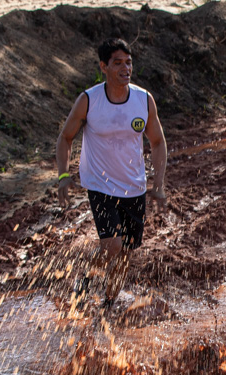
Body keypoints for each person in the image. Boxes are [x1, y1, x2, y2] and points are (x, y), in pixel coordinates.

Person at [55, 38, 167, 310]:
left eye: (128, 62)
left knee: (126, 251)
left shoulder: (143, 100)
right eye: (117, 63)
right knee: (112, 246)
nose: (125, 68)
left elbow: (157, 142)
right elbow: (65, 138)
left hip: (134, 187)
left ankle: (107, 304)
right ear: (103, 67)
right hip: (100, 185)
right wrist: (63, 175)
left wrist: (158, 183)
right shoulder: (89, 100)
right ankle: (84, 280)